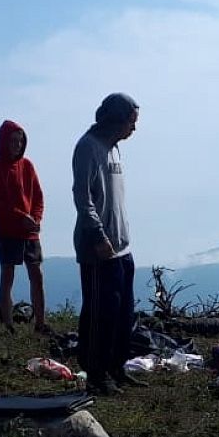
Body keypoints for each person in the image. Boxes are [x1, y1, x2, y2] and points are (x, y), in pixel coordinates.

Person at [72, 93, 142, 396]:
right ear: (116, 119)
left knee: (123, 312)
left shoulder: (114, 150)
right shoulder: (88, 147)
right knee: (101, 314)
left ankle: (116, 367)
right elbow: (83, 198)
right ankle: (96, 374)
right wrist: (98, 236)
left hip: (121, 246)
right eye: (131, 121)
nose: (133, 129)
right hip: (98, 248)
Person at [0, 119, 48, 334]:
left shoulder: (27, 165)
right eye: (13, 141)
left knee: (36, 274)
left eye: (20, 141)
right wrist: (21, 217)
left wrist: (35, 219)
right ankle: (8, 324)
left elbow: (38, 196)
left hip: (30, 231)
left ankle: (40, 323)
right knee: (8, 274)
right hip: (8, 231)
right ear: (3, 141)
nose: (17, 145)